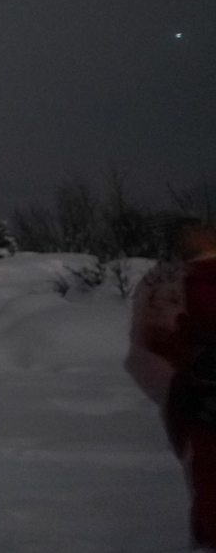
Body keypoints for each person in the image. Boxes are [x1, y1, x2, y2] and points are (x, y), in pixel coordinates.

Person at [128, 217, 216, 548]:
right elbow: (148, 350)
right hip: (197, 399)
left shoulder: (164, 283)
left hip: (192, 399)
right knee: (208, 482)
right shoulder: (167, 283)